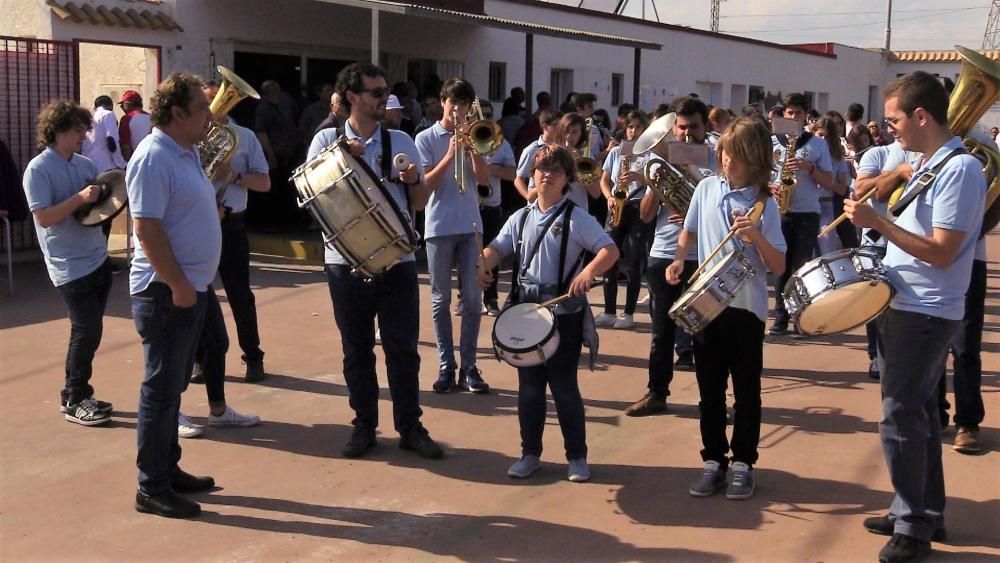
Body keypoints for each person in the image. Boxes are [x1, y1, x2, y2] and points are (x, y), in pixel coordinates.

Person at [844, 71, 985, 563]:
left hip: (925, 310)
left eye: (895, 120)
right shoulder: (928, 162)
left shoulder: (960, 170)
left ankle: (912, 527)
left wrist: (876, 221)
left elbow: (943, 251)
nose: (890, 131)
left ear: (921, 116)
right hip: (904, 302)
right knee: (920, 414)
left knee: (899, 416)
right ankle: (922, 509)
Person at [308, 62, 444, 460]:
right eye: (376, 92)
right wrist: (339, 158)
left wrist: (415, 181)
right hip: (344, 261)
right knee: (357, 349)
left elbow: (419, 203)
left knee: (403, 349)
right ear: (352, 97)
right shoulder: (325, 141)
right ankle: (363, 425)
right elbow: (314, 199)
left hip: (398, 260)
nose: (384, 98)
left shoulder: (402, 139)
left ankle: (410, 426)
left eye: (385, 91)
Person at [478, 143, 619, 483]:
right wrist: (482, 266)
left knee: (563, 386)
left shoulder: (577, 218)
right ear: (533, 174)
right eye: (542, 168)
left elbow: (609, 250)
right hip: (526, 311)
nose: (547, 175)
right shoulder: (521, 216)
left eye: (556, 170)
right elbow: (497, 248)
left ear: (567, 178)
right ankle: (530, 454)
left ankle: (577, 457)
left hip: (563, 313)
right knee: (528, 387)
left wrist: (588, 273)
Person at [666, 116, 786, 501]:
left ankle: (743, 463)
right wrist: (678, 259)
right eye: (723, 153)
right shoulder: (705, 188)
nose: (725, 161)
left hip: (746, 310)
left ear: (753, 159)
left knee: (747, 392)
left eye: (733, 155)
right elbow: (690, 229)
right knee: (709, 390)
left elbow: (779, 265)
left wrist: (756, 237)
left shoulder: (766, 205)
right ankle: (713, 459)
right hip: (706, 305)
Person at [127, 72, 221, 518]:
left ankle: (168, 469)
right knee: (161, 390)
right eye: (202, 108)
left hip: (188, 289)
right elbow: (147, 229)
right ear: (177, 113)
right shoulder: (153, 156)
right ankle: (151, 486)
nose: (210, 114)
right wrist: (180, 284)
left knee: (173, 388)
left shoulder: (186, 153)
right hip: (166, 291)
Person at [176, 80, 271, 438]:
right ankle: (203, 363)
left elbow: (265, 184)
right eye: (208, 100)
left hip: (231, 222)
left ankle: (253, 356)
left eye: (218, 97)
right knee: (199, 295)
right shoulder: (186, 140)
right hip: (198, 222)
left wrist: (232, 175)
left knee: (238, 293)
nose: (215, 105)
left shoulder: (243, 137)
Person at [23, 100, 114, 427]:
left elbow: (99, 210)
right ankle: (77, 397)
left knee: (92, 330)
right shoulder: (38, 169)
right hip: (68, 265)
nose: (83, 136)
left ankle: (74, 395)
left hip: (97, 260)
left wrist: (110, 192)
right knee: (85, 330)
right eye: (78, 130)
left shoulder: (85, 165)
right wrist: (80, 198)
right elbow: (45, 218)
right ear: (58, 130)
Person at [624, 105, 719, 416]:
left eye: (693, 126)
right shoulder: (658, 161)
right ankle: (656, 393)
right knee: (661, 331)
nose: (686, 132)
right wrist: (656, 183)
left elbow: (724, 206)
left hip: (703, 255)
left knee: (706, 333)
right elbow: (646, 215)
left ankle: (713, 399)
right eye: (681, 127)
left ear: (705, 126)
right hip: (664, 254)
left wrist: (695, 214)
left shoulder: (716, 158)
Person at [415, 78, 492, 395]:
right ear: (442, 102)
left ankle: (470, 366)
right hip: (439, 226)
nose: (458, 109)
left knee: (473, 300)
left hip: (471, 225)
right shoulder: (426, 138)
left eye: (464, 104)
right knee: (440, 300)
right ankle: (447, 365)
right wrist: (450, 154)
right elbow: (424, 187)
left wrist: (473, 149)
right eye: (453, 103)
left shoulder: (477, 136)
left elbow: (485, 183)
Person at [768, 93, 834, 336]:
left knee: (800, 266)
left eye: (797, 113)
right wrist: (770, 186)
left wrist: (809, 168)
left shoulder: (817, 144)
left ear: (806, 115)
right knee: (780, 266)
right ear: (783, 114)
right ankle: (779, 318)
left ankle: (799, 316)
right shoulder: (774, 142)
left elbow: (829, 181)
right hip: (779, 210)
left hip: (807, 212)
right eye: (789, 113)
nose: (793, 117)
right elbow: (762, 175)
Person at [596, 109, 653, 330]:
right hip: (617, 205)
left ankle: (628, 312)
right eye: (630, 127)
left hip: (638, 204)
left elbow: (657, 181)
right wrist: (609, 196)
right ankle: (610, 310)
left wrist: (640, 177)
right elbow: (604, 179)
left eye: (638, 127)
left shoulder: (649, 153)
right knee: (608, 255)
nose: (633, 131)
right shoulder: (617, 152)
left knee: (634, 260)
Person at [477, 100, 516, 316]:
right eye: (480, 114)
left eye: (488, 114)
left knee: (492, 253)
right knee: (469, 254)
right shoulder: (465, 139)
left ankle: (491, 299)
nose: (485, 118)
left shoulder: (501, 142)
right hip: (469, 205)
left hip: (491, 205)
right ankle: (466, 297)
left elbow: (512, 174)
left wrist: (490, 168)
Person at [812, 117, 851, 255]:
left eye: (827, 136)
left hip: (826, 206)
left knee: (827, 245)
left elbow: (842, 189)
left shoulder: (838, 158)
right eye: (820, 135)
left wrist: (825, 180)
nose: (823, 140)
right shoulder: (807, 155)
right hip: (806, 205)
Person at [514, 108, 562, 202]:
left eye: (561, 126)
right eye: (556, 125)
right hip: (537, 202)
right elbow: (519, 179)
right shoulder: (532, 149)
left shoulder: (563, 148)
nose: (560, 129)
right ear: (545, 127)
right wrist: (528, 196)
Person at [82, 95, 126, 174]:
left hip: (87, 165)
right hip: (104, 166)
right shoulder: (108, 114)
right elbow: (112, 142)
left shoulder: (89, 117)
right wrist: (122, 164)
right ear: (111, 106)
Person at [118, 90, 151, 161]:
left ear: (127, 104)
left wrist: (125, 165)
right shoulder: (151, 118)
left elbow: (126, 146)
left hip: (136, 160)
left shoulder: (127, 119)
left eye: (122, 105)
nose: (122, 108)